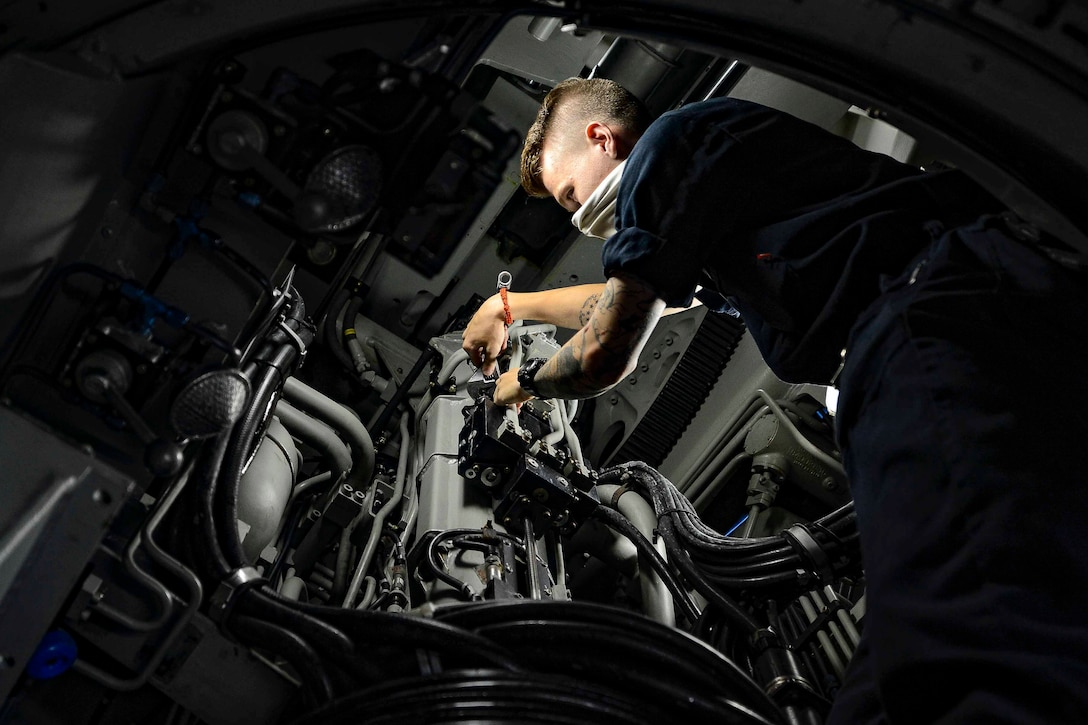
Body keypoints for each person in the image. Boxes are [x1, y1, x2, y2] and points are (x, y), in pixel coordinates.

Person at [460, 76, 1088, 723]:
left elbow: (606, 347)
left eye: (570, 194)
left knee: (974, 621)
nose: (576, 216)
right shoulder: (705, 200)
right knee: (882, 684)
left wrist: (521, 384)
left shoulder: (670, 144)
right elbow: (612, 303)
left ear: (602, 137)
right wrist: (507, 304)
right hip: (917, 345)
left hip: (923, 329)